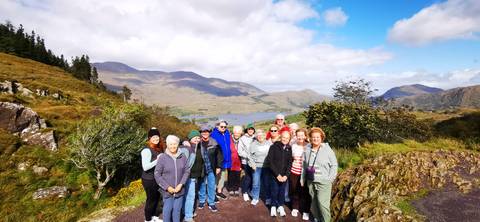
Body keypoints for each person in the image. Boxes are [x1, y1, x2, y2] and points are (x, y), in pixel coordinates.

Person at [301, 128, 338, 222]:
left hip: (323, 182)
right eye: (313, 137)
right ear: (310, 138)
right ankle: (317, 218)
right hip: (311, 181)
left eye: (317, 137)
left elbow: (334, 165)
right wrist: (302, 178)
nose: (315, 139)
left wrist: (330, 179)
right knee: (313, 203)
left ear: (321, 138)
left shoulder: (327, 149)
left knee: (323, 204)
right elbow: (304, 165)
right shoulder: (307, 149)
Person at [154, 135, 190, 222]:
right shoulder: (162, 157)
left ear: (178, 144)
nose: (173, 146)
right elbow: (157, 174)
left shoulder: (183, 156)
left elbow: (187, 171)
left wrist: (181, 184)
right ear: (167, 145)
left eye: (175, 144)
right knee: (167, 211)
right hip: (167, 191)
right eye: (170, 144)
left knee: (177, 211)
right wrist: (167, 187)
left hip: (180, 190)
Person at [264, 129, 292, 217]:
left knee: (282, 191)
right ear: (280, 137)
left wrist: (286, 175)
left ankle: (280, 206)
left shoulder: (289, 148)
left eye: (287, 138)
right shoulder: (273, 147)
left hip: (284, 176)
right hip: (274, 175)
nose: (285, 139)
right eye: (284, 137)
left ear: (289, 139)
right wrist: (277, 175)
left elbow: (289, 163)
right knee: (274, 191)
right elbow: (270, 161)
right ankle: (273, 206)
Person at [197, 125, 223, 213]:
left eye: (207, 131)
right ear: (200, 133)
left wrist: (219, 166)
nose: (205, 133)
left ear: (210, 132)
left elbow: (219, 155)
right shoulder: (197, 143)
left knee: (211, 185)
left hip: (212, 167)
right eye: (203, 131)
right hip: (201, 168)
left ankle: (211, 202)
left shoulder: (214, 143)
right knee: (202, 184)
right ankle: (201, 200)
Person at [141, 127, 165, 222]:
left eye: (157, 137)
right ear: (149, 138)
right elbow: (145, 167)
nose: (156, 139)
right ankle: (147, 219)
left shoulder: (158, 148)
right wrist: (157, 160)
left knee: (157, 198)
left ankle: (154, 216)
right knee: (150, 200)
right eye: (153, 137)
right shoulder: (146, 150)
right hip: (148, 179)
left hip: (156, 178)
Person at [289, 128, 311, 221]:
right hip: (294, 172)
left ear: (305, 136)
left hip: (306, 173)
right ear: (296, 136)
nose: (300, 137)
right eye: (298, 135)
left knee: (306, 192)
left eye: (302, 135)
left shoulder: (309, 146)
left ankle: (306, 211)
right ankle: (295, 207)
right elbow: (290, 159)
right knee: (295, 190)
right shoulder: (293, 146)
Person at [248, 129, 272, 206]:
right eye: (258, 136)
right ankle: (255, 197)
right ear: (256, 137)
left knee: (267, 183)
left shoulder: (269, 143)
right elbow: (249, 156)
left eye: (262, 135)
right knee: (256, 183)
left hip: (267, 167)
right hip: (256, 167)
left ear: (265, 136)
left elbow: (272, 155)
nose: (260, 137)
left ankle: (268, 198)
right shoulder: (253, 144)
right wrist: (253, 165)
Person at [183, 130, 201, 222]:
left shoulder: (198, 147)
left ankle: (186, 212)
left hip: (193, 176)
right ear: (190, 139)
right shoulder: (187, 148)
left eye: (198, 137)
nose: (197, 139)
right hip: (187, 176)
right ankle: (188, 216)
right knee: (190, 196)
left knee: (187, 195)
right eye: (195, 138)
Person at [210, 120, 231, 200]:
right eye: (221, 126)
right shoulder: (213, 135)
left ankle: (219, 191)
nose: (223, 128)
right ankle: (213, 193)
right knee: (215, 176)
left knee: (222, 176)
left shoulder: (227, 133)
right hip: (217, 159)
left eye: (225, 127)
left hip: (225, 159)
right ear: (217, 126)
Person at [238, 123, 255, 201]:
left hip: (255, 162)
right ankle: (244, 192)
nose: (250, 130)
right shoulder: (242, 139)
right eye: (249, 129)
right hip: (246, 161)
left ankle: (250, 191)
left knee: (254, 177)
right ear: (246, 130)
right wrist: (248, 156)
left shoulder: (255, 138)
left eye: (252, 129)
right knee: (248, 177)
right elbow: (240, 151)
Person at [226, 125, 243, 196]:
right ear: (233, 132)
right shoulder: (229, 138)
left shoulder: (242, 139)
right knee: (230, 174)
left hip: (239, 160)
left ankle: (236, 188)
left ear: (240, 133)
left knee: (237, 174)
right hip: (230, 159)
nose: (236, 134)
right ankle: (230, 188)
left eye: (238, 133)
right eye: (235, 132)